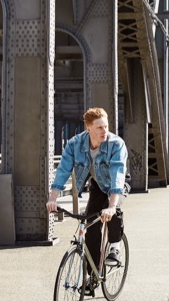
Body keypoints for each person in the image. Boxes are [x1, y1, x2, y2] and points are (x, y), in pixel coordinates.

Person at [46, 108, 128, 286]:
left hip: (117, 183)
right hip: (98, 183)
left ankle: (115, 247)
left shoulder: (116, 144)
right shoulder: (75, 144)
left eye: (106, 126)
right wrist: (53, 198)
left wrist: (112, 206)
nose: (104, 131)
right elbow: (63, 171)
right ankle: (93, 275)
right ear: (88, 128)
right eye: (99, 127)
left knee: (112, 211)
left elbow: (117, 176)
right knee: (91, 224)